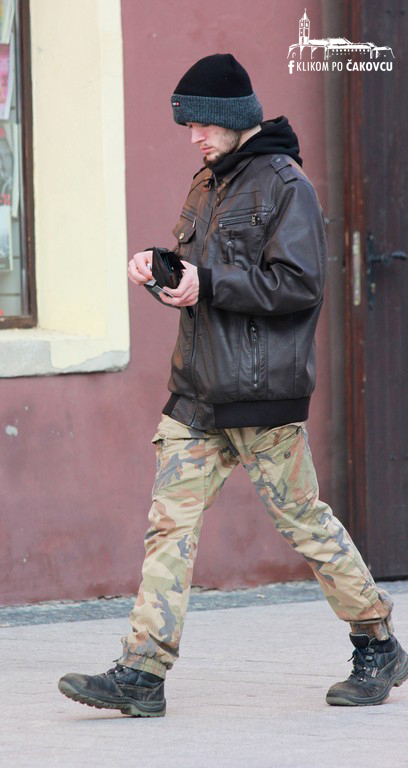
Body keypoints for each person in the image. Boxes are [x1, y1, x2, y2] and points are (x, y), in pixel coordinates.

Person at [58, 53, 408, 717]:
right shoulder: (207, 183)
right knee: (169, 526)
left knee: (304, 523)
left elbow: (299, 284)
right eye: (187, 125)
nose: (194, 136)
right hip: (196, 392)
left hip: (259, 396)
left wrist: (209, 284)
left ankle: (377, 642)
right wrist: (163, 267)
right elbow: (202, 272)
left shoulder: (285, 186)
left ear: (237, 117)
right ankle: (143, 673)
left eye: (204, 124)